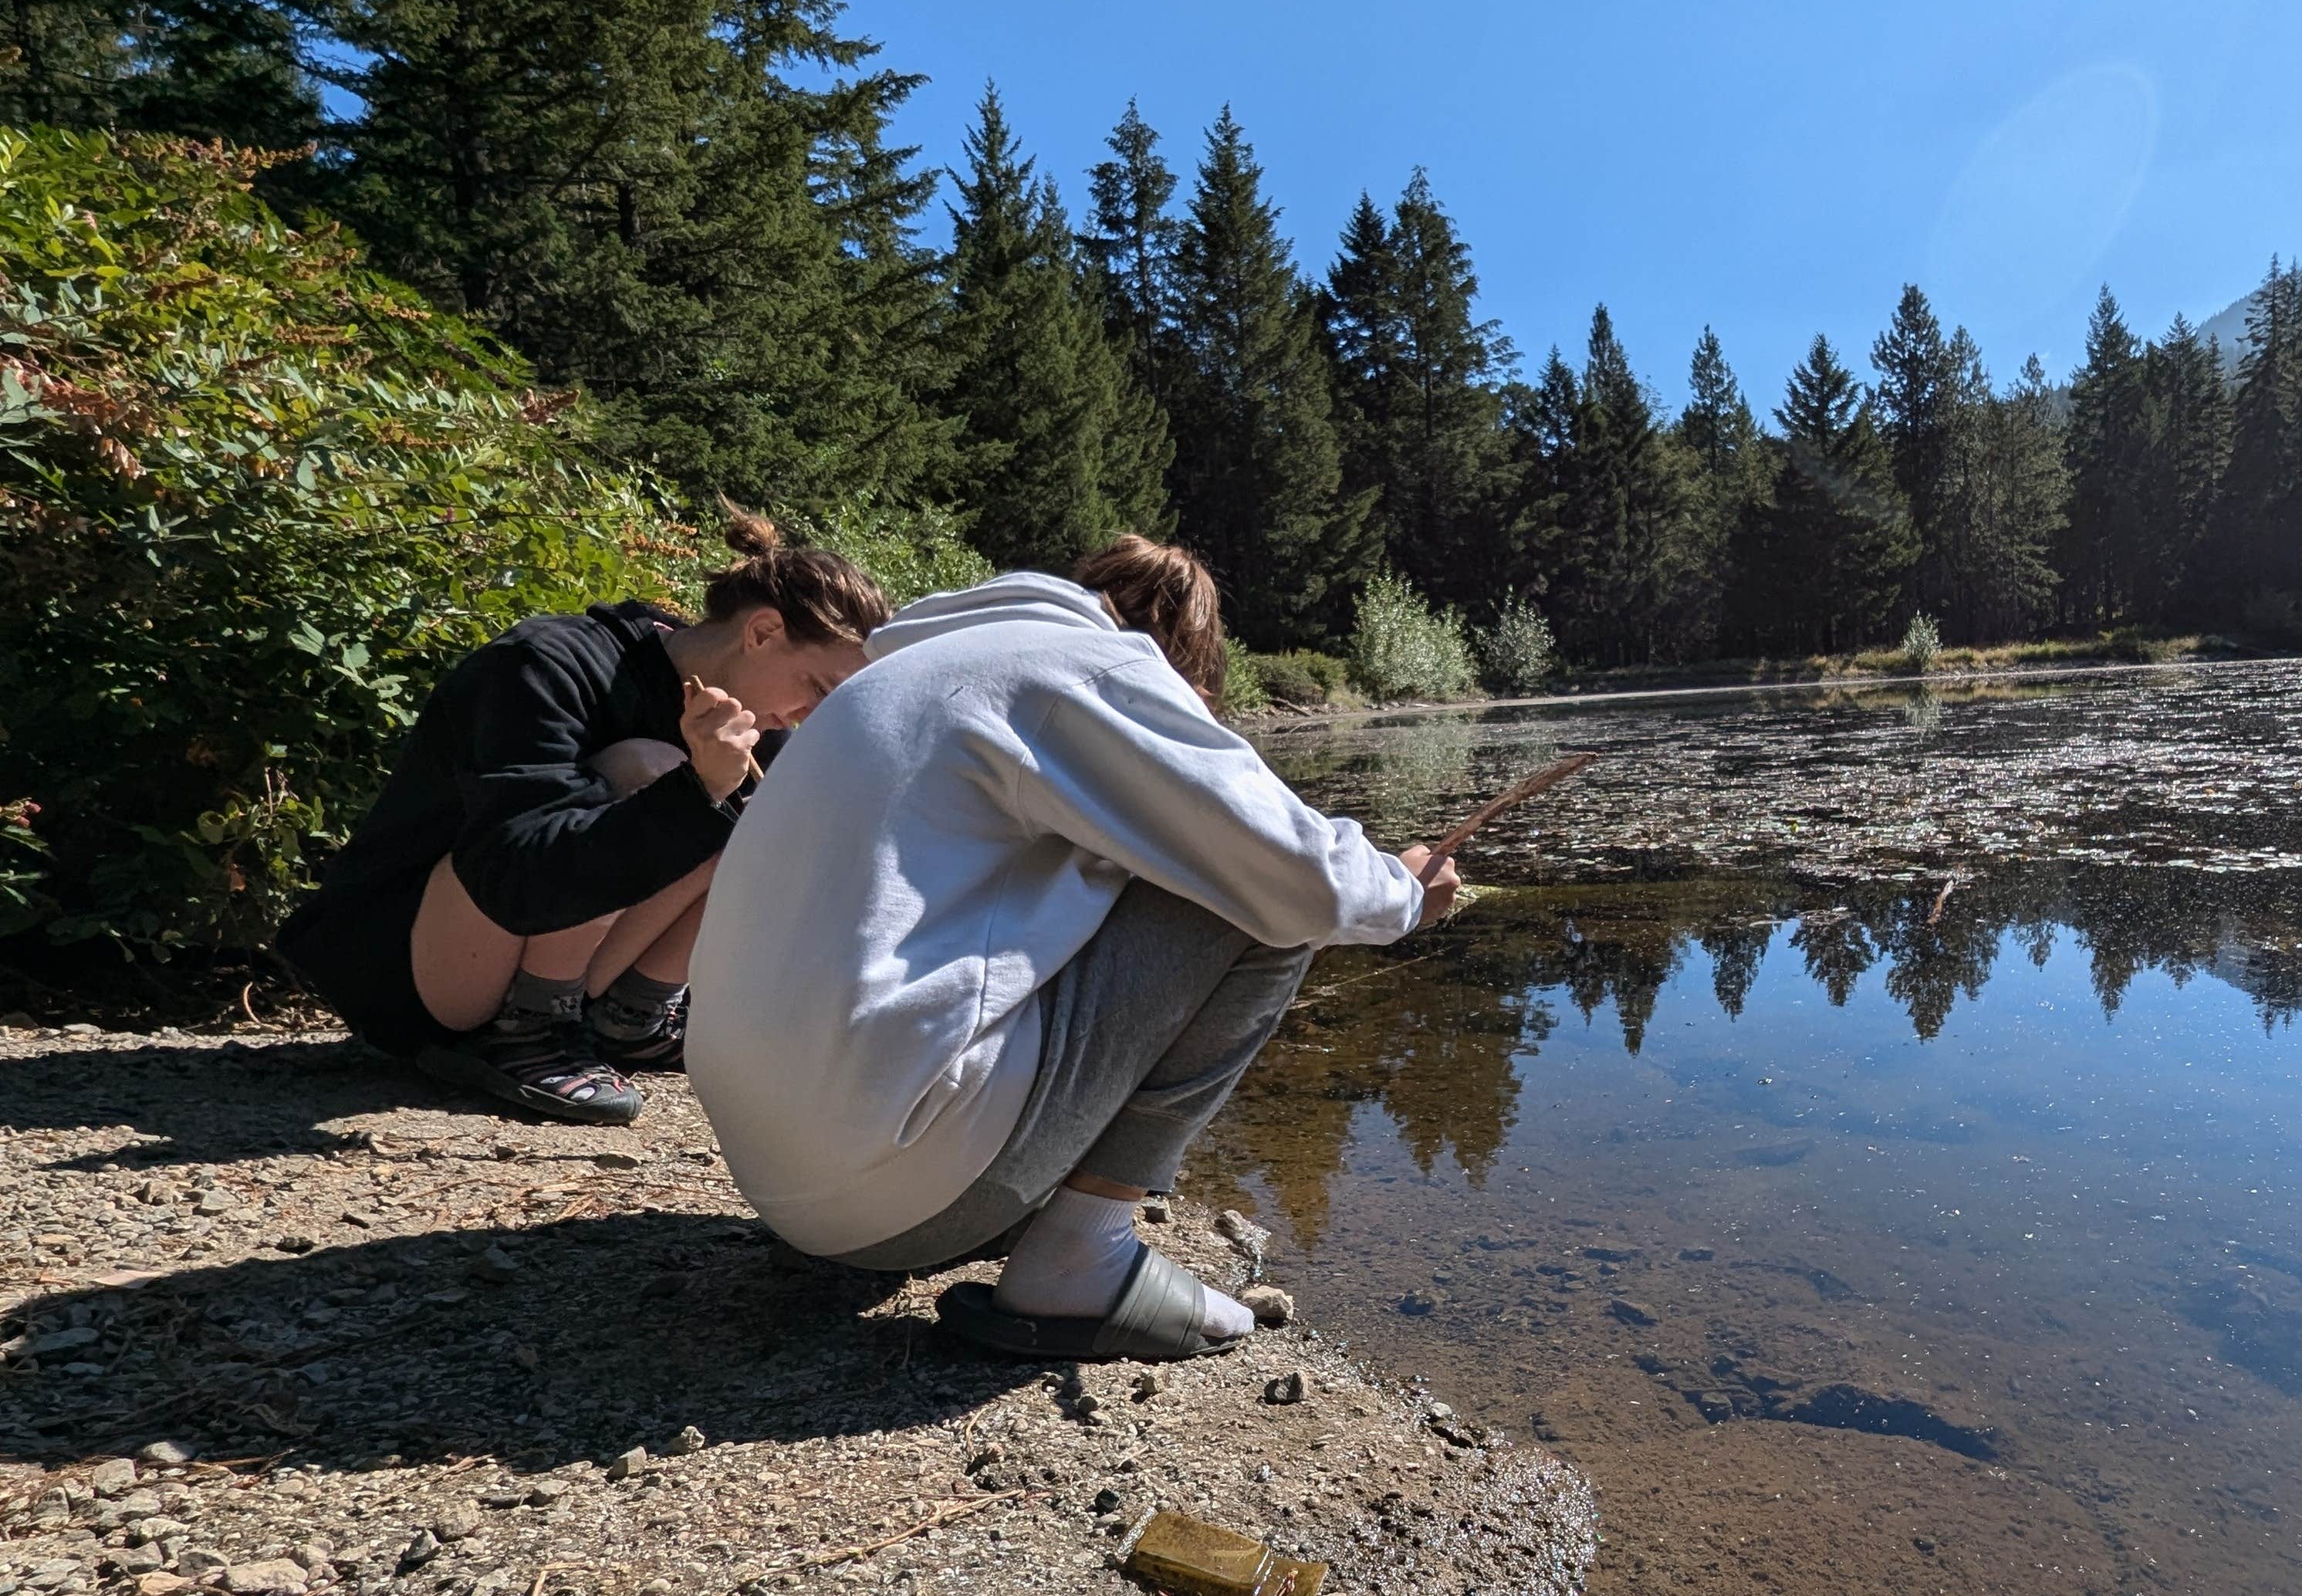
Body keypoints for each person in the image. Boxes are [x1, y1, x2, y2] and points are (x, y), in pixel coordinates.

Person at [685, 536, 1456, 1362]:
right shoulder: (1093, 670)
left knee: (1190, 863)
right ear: (1169, 664)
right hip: (884, 1190)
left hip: (780, 1180)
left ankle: (1014, 1199)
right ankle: (1079, 1257)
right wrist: (1403, 888)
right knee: (1249, 896)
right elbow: (1308, 881)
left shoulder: (905, 676)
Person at [275, 515, 888, 1125]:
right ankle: (530, 1027)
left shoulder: (758, 722)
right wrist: (693, 788)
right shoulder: (546, 664)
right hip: (411, 968)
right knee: (650, 768)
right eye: (817, 687)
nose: (810, 715)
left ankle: (632, 1018)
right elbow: (513, 870)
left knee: (762, 816)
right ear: (761, 632)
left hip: (540, 956)